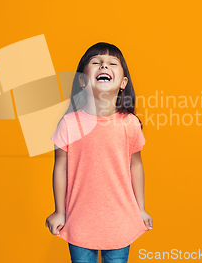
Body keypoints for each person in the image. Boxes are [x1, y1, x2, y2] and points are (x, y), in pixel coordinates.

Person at [45, 42, 153, 263]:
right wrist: (59, 211)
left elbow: (136, 165)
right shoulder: (69, 124)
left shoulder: (129, 124)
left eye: (113, 63)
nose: (104, 65)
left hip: (120, 220)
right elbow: (60, 167)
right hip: (79, 221)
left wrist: (140, 209)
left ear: (123, 83)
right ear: (83, 81)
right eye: (96, 62)